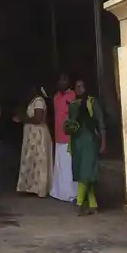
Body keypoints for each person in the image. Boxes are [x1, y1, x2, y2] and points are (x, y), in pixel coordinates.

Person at [64, 79, 106, 215]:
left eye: (82, 86)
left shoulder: (92, 102)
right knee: (82, 171)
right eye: (77, 86)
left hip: (90, 141)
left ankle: (80, 203)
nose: (80, 88)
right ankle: (93, 204)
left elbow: (101, 123)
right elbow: (69, 125)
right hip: (77, 142)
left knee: (86, 171)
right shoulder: (73, 105)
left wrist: (104, 142)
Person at [14, 86, 52, 198]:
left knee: (39, 160)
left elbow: (37, 119)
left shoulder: (39, 101)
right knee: (32, 160)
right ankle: (31, 187)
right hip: (32, 135)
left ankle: (40, 188)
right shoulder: (33, 101)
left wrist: (22, 119)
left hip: (38, 135)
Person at [50, 73, 78, 202]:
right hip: (58, 137)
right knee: (60, 167)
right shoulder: (56, 97)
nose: (62, 82)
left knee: (68, 167)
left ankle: (71, 193)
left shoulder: (73, 96)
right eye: (60, 80)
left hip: (69, 137)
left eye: (64, 79)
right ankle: (59, 192)